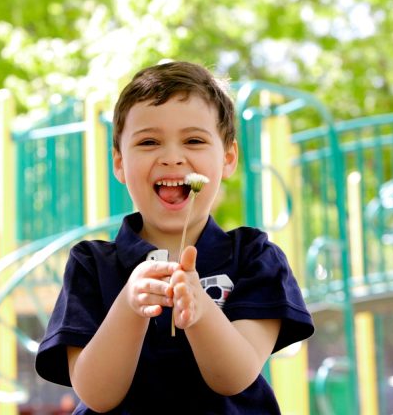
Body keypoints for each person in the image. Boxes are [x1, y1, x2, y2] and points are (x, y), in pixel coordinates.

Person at [35, 61, 314, 414]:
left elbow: (236, 375)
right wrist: (129, 307)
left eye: (194, 140)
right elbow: (95, 394)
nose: (171, 158)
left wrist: (200, 311)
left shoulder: (255, 257)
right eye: (149, 141)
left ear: (227, 158)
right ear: (119, 163)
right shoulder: (92, 264)